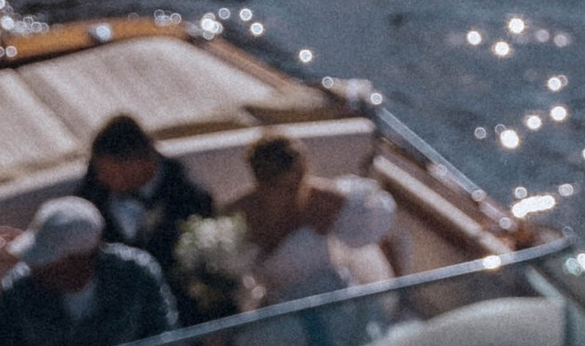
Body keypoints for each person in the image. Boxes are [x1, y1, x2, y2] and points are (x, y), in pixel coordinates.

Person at [0, 196, 173, 346]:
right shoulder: (18, 290)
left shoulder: (136, 274)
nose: (35, 266)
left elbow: (167, 340)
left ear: (83, 258)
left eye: (48, 259)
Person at [227, 137, 398, 313]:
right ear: (261, 183)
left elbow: (381, 233)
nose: (295, 195)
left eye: (300, 182)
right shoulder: (236, 214)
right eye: (284, 188)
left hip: (333, 302)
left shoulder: (325, 200)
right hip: (280, 312)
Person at [79, 112, 212, 286]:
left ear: (138, 163)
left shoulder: (189, 197)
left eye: (110, 174)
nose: (102, 179)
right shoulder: (94, 188)